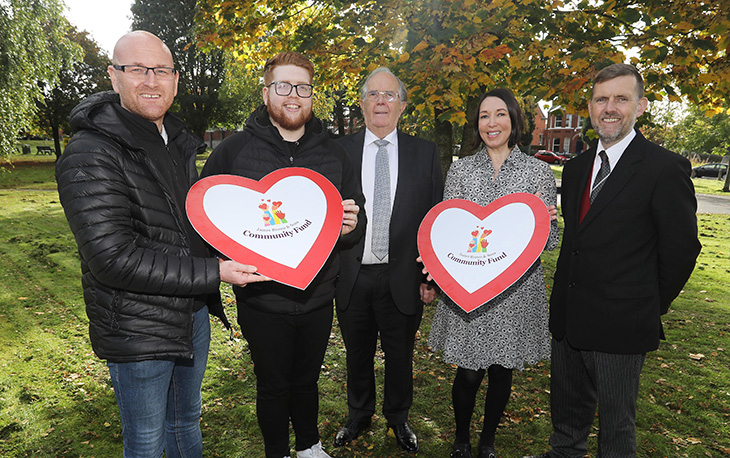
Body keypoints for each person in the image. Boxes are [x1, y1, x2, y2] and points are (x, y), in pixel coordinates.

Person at [55, 31, 267, 458]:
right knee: (147, 442)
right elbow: (112, 259)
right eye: (137, 69)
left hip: (190, 315)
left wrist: (255, 238)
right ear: (113, 77)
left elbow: (186, 226)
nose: (151, 80)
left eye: (162, 70)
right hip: (139, 326)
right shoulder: (90, 151)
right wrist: (216, 272)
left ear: (174, 79)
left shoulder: (176, 140)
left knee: (185, 423)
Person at [524, 63, 701, 458]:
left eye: (621, 98)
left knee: (616, 429)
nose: (610, 107)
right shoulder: (576, 169)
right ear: (589, 106)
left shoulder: (664, 167)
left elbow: (682, 249)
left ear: (640, 106)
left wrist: (646, 303)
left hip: (623, 324)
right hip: (569, 320)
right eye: (602, 99)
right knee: (566, 423)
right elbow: (577, 240)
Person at [200, 51, 365, 458]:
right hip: (262, 296)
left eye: (303, 87)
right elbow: (207, 216)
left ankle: (308, 446)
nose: (294, 95)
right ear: (266, 92)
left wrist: (350, 227)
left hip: (317, 293)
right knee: (272, 384)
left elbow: (354, 212)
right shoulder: (232, 151)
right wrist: (223, 261)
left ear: (312, 96)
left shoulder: (335, 153)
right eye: (284, 86)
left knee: (306, 380)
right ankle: (276, 451)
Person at [426, 88, 559, 458]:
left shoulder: (538, 173)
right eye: (484, 116)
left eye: (500, 114)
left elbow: (549, 244)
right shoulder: (461, 169)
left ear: (514, 120)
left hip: (516, 292)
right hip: (470, 285)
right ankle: (462, 439)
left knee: (503, 370)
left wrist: (549, 225)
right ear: (477, 125)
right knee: (468, 371)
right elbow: (447, 228)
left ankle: (487, 442)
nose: (492, 123)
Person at [333, 67, 444, 453]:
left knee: (400, 356)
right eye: (373, 95)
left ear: (402, 105)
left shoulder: (425, 153)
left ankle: (398, 417)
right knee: (357, 353)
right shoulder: (338, 152)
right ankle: (359, 415)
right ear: (362, 104)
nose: (381, 101)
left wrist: (431, 280)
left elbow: (435, 220)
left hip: (403, 276)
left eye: (389, 95)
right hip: (352, 274)